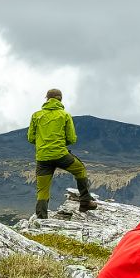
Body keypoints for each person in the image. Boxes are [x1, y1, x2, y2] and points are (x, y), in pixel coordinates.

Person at [27, 89, 96, 219]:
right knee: (80, 169)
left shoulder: (36, 115)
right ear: (60, 100)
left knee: (42, 189)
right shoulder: (64, 115)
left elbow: (31, 138)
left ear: (47, 99)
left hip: (42, 158)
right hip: (61, 156)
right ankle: (85, 202)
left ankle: (41, 218)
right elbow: (71, 139)